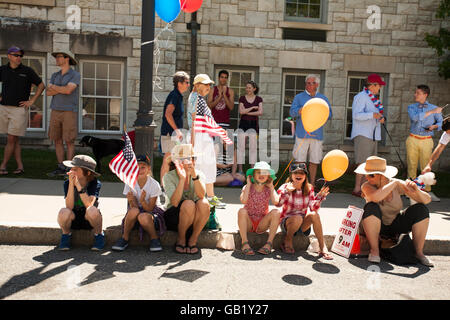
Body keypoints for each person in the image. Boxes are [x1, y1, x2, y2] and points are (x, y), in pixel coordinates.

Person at [355, 156, 433, 266]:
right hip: (377, 227)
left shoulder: (396, 183)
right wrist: (394, 184)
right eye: (366, 174)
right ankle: (374, 250)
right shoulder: (366, 186)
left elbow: (427, 200)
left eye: (371, 175)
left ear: (381, 175)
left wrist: (416, 190)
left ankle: (419, 253)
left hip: (395, 224)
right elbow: (375, 197)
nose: (367, 178)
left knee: (421, 209)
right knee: (371, 207)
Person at [0, 46, 45, 175]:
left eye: (20, 56)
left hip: (19, 110)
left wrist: (32, 101)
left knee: (11, 138)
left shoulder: (27, 71)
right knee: (14, 140)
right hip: (3, 108)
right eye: (16, 55)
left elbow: (41, 86)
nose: (19, 58)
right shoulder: (3, 69)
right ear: (9, 56)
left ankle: (3, 166)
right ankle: (20, 166)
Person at [276, 162, 332, 259]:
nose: (298, 175)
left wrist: (319, 197)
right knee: (297, 218)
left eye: (302, 173)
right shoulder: (285, 187)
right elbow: (278, 204)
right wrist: (287, 192)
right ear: (291, 175)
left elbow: (313, 208)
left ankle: (322, 247)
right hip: (287, 223)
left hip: (302, 224)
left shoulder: (309, 188)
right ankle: (287, 240)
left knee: (314, 215)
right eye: (295, 173)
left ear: (305, 176)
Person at [162, 144, 210, 254]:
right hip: (174, 217)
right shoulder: (168, 176)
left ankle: (193, 239)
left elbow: (202, 195)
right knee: (188, 204)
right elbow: (174, 202)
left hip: (194, 218)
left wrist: (193, 176)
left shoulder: (199, 174)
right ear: (177, 163)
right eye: (184, 159)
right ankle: (181, 239)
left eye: (190, 158)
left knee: (204, 203)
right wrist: (182, 179)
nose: (188, 162)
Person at [112, 155, 166, 252]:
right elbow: (134, 207)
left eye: (143, 167)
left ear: (149, 169)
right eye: (136, 168)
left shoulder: (154, 184)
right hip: (137, 213)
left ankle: (154, 238)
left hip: (152, 214)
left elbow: (149, 209)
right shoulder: (129, 183)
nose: (140, 170)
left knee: (143, 217)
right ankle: (125, 238)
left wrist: (142, 201)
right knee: (134, 211)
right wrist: (132, 200)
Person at [191, 74, 227, 209]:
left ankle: (210, 197)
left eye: (209, 85)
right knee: (202, 167)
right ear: (197, 85)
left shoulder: (199, 99)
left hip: (204, 136)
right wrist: (193, 142)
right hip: (199, 137)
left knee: (208, 167)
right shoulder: (195, 98)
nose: (208, 87)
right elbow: (194, 120)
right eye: (205, 84)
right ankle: (202, 197)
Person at [289, 74, 332, 184]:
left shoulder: (323, 98)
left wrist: (319, 112)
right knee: (300, 160)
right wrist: (300, 110)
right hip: (301, 133)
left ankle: (311, 185)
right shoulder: (299, 97)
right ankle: (299, 184)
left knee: (314, 160)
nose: (308, 85)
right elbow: (291, 113)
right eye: (307, 83)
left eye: (311, 83)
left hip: (317, 135)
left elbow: (330, 115)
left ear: (316, 84)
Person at [57, 155, 104, 251]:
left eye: (75, 169)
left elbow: (89, 204)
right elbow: (69, 206)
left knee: (92, 210)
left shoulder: (95, 183)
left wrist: (78, 185)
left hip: (89, 219)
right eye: (71, 168)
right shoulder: (67, 183)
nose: (71, 171)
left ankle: (99, 236)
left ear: (87, 172)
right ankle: (66, 235)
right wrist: (71, 184)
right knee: (63, 212)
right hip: (74, 217)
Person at [351, 73, 386, 198]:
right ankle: (356, 188)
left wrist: (380, 118)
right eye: (378, 86)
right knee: (362, 163)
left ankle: (365, 189)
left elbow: (374, 115)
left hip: (372, 135)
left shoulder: (373, 98)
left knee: (370, 165)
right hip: (363, 134)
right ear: (372, 85)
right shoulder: (361, 97)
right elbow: (356, 115)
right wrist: (372, 115)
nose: (380, 88)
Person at [46, 51, 80, 176]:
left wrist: (55, 88)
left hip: (69, 111)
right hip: (55, 109)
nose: (56, 59)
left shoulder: (75, 74)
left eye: (58, 57)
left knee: (69, 140)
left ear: (67, 59)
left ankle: (69, 169)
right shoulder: (55, 75)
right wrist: (62, 88)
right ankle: (60, 167)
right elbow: (48, 92)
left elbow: (68, 90)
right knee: (57, 139)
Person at [406, 85, 443, 201]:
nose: (415, 95)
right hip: (413, 139)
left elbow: (442, 124)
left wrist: (435, 126)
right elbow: (415, 119)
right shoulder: (411, 107)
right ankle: (409, 191)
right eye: (415, 92)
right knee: (411, 165)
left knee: (425, 166)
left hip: (427, 140)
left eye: (418, 93)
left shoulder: (435, 108)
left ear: (425, 94)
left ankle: (427, 191)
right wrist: (431, 112)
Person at [237, 161, 281, 255]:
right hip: (248, 222)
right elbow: (243, 201)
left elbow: (276, 202)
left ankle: (269, 244)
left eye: (264, 173)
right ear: (253, 175)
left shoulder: (268, 189)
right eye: (258, 172)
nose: (261, 175)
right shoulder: (247, 187)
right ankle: (244, 243)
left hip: (262, 223)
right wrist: (248, 184)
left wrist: (272, 186)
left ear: (268, 176)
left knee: (276, 212)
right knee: (242, 211)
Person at [159, 71, 190, 184]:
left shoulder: (178, 96)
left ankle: (173, 185)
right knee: (167, 160)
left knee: (176, 160)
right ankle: (163, 188)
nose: (188, 85)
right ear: (179, 83)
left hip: (173, 135)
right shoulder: (174, 95)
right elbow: (168, 114)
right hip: (170, 133)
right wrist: (177, 131)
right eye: (187, 82)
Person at [237, 80, 263, 173]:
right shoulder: (242, 98)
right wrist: (252, 108)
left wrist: (246, 111)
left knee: (253, 149)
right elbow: (241, 112)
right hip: (243, 124)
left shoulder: (258, 99)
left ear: (254, 89)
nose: (247, 89)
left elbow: (260, 112)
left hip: (253, 125)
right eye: (246, 87)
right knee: (241, 148)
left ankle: (252, 170)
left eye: (249, 88)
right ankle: (240, 170)